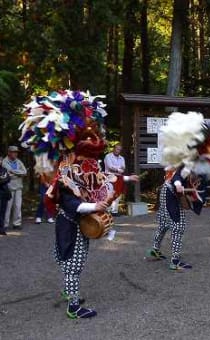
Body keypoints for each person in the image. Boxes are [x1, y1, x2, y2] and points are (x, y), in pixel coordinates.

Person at [19, 90, 138, 319]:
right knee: (74, 265)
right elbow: (73, 203)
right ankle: (73, 306)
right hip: (71, 224)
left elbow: (102, 178)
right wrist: (96, 207)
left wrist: (124, 179)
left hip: (78, 223)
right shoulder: (65, 173)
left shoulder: (86, 166)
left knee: (76, 263)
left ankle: (68, 290)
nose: (94, 139)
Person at [145, 112, 210, 270]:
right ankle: (174, 262)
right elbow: (179, 175)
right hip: (171, 193)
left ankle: (155, 250)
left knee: (163, 224)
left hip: (169, 192)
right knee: (178, 226)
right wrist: (179, 183)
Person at [2, 145, 27, 230]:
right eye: (13, 152)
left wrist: (14, 173)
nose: (15, 154)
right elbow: (8, 172)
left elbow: (25, 172)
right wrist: (19, 174)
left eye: (16, 152)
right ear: (9, 152)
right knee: (8, 206)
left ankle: (17, 223)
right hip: (9, 187)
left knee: (18, 206)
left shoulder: (18, 161)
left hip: (19, 187)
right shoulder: (4, 162)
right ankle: (4, 224)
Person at [104, 142, 126, 216]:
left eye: (119, 150)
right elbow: (110, 167)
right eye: (117, 149)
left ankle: (114, 211)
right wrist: (118, 169)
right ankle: (107, 210)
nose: (118, 151)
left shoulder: (121, 158)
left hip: (119, 177)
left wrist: (117, 169)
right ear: (114, 149)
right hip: (110, 176)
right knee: (109, 194)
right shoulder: (108, 156)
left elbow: (123, 167)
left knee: (118, 194)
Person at [0, 156, 11, 235]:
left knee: (3, 211)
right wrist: (2, 179)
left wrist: (2, 179)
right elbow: (4, 179)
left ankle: (1, 228)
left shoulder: (4, 170)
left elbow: (8, 179)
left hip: (4, 193)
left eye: (0, 160)